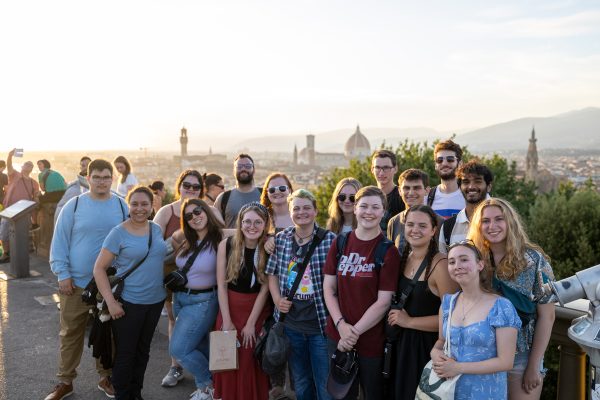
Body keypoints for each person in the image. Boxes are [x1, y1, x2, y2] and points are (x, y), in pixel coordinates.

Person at [46, 159, 128, 400]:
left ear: (112, 179)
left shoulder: (122, 206)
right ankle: (65, 381)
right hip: (76, 282)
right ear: (88, 178)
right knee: (70, 332)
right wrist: (63, 274)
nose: (102, 181)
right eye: (97, 177)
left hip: (110, 284)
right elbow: (59, 242)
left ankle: (106, 376)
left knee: (108, 332)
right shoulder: (74, 206)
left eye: (106, 177)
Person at [468, 198, 556, 399]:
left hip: (522, 357)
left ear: (510, 222)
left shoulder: (533, 260)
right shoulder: (473, 259)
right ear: (478, 225)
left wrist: (534, 365)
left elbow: (547, 317)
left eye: (499, 219)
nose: (492, 226)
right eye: (485, 221)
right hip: (481, 355)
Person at [323, 186, 401, 400]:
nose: (369, 212)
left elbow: (383, 302)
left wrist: (353, 332)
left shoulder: (388, 250)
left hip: (371, 341)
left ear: (383, 212)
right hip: (338, 335)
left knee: (373, 394)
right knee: (340, 395)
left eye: (375, 207)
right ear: (355, 209)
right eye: (364, 206)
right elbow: (328, 289)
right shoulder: (340, 242)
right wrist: (341, 326)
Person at [93, 186, 167, 400]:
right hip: (129, 303)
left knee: (143, 352)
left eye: (144, 204)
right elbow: (99, 269)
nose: (139, 209)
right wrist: (111, 302)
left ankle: (136, 394)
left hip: (155, 302)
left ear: (152, 206)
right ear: (128, 205)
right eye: (134, 204)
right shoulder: (118, 233)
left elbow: (160, 255)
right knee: (126, 354)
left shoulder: (156, 229)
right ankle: (123, 396)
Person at [266, 189, 336, 400]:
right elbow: (272, 273)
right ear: (290, 212)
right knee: (302, 381)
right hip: (292, 325)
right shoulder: (282, 239)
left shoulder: (330, 240)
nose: (301, 212)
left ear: (315, 211)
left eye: (307, 208)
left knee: (325, 383)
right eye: (296, 208)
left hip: (320, 324)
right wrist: (277, 299)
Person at [430, 240, 521, 400]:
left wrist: (458, 367)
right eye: (452, 262)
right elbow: (441, 340)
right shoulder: (447, 304)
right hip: (448, 392)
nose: (457, 265)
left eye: (464, 259)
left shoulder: (501, 307)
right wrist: (434, 352)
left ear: (480, 265)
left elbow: (506, 361)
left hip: (486, 393)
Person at [386, 205, 458, 399]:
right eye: (410, 224)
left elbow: (453, 317)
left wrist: (409, 322)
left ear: (433, 230)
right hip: (401, 347)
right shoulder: (403, 258)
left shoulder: (440, 264)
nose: (415, 230)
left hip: (426, 349)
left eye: (422, 225)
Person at [213, 202, 273, 400]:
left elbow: (265, 289)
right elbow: (221, 285)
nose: (252, 226)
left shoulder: (268, 247)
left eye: (258, 222)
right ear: (240, 223)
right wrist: (227, 321)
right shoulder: (227, 245)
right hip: (229, 308)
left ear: (265, 224)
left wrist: (250, 324)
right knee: (228, 359)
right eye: (247, 221)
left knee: (249, 359)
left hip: (255, 310)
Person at [153, 169, 206, 387]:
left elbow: (223, 235)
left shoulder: (208, 212)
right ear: (179, 187)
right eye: (187, 185)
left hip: (201, 278)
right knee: (174, 319)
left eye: (196, 187)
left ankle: (204, 370)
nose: (191, 190)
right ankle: (176, 367)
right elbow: (152, 243)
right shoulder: (168, 211)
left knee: (202, 323)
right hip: (172, 277)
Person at [170, 198, 223, 400]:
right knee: (198, 345)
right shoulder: (187, 239)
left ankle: (209, 385)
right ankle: (211, 387)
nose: (195, 217)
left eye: (198, 211)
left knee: (179, 350)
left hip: (203, 301)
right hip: (181, 298)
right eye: (189, 215)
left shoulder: (219, 239)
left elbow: (242, 233)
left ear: (207, 211)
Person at [439, 160, 493, 253]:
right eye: (466, 182)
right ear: (460, 187)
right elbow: (443, 263)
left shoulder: (501, 223)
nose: (471, 186)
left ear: (488, 187)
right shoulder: (449, 227)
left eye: (478, 181)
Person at [387, 169, 443, 253]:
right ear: (399, 191)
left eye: (416, 188)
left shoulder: (440, 222)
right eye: (406, 188)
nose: (411, 193)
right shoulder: (394, 222)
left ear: (427, 191)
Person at [1, 149, 40, 263]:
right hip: (9, 210)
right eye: (26, 164)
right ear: (22, 167)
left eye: (30, 165)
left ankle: (19, 256)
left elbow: (36, 197)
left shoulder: (34, 183)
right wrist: (10, 155)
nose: (28, 165)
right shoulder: (15, 175)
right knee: (3, 233)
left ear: (31, 169)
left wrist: (37, 198)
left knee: (21, 235)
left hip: (24, 212)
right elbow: (9, 166)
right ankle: (6, 253)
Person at [214, 154, 262, 228]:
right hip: (232, 239)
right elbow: (215, 228)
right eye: (239, 167)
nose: (243, 169)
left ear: (254, 170)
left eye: (248, 166)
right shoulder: (223, 199)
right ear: (234, 171)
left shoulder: (265, 195)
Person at [427, 139, 466, 219]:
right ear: (435, 165)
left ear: (460, 164)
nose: (444, 163)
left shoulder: (470, 196)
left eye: (450, 159)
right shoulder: (427, 198)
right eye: (439, 160)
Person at [370, 149, 404, 231]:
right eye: (377, 167)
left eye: (386, 168)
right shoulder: (367, 197)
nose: (381, 173)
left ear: (395, 169)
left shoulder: (402, 197)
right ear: (372, 169)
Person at [55, 156, 92, 224]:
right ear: (80, 167)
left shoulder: (95, 184)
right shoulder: (76, 186)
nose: (86, 168)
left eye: (88, 165)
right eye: (83, 166)